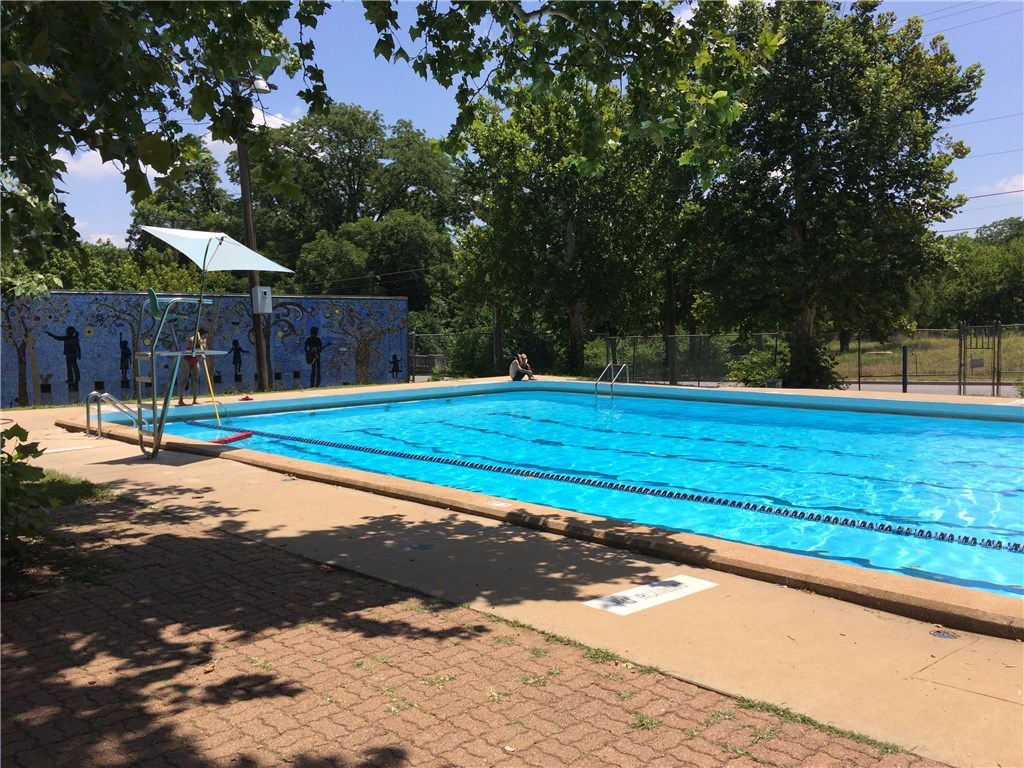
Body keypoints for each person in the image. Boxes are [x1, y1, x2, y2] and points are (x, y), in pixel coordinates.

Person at [178, 328, 207, 406]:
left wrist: (202, 349)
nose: (205, 337)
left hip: (195, 361)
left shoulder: (204, 340)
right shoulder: (192, 339)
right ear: (200, 334)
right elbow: (192, 351)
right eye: (204, 336)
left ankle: (195, 399)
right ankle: (180, 400)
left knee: (196, 380)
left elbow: (204, 349)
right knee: (185, 379)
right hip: (187, 360)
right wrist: (198, 344)